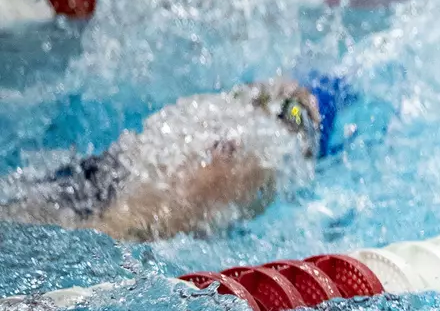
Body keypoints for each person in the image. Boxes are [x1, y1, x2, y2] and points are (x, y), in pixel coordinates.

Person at [0, 75, 348, 242]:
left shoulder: (233, 107)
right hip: (112, 208)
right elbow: (128, 227)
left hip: (99, 174)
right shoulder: (261, 157)